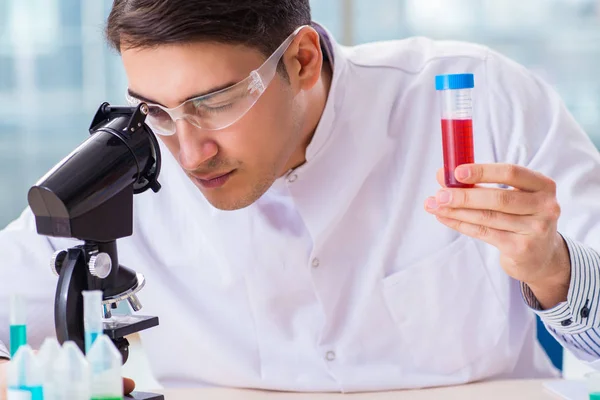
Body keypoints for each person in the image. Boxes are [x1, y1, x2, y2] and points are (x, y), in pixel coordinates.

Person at [1, 0, 600, 394]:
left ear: (302, 59)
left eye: (214, 103)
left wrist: (554, 271)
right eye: (156, 108)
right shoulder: (131, 159)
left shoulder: (474, 100)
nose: (188, 152)